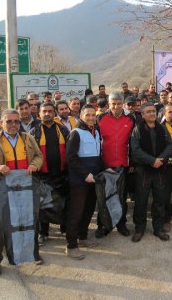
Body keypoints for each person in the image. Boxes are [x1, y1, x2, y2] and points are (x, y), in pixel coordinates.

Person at [0, 109, 43, 276]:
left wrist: (34, 164)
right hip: (2, 192)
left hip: (25, 190)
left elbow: (39, 156)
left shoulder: (28, 139)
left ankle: (30, 253)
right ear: (1, 123)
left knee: (28, 222)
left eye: (16, 122)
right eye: (9, 121)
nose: (13, 125)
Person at [130, 103, 172, 242]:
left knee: (159, 201)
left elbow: (169, 145)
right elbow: (135, 151)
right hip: (144, 171)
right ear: (142, 114)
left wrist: (160, 160)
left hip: (160, 170)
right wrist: (152, 160)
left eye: (153, 111)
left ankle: (158, 228)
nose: (152, 114)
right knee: (141, 201)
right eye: (148, 112)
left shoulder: (162, 128)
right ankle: (139, 228)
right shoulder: (137, 129)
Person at [65, 105, 103, 260]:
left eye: (93, 115)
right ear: (81, 116)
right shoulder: (76, 133)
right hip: (79, 181)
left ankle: (83, 236)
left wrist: (105, 170)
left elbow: (98, 155)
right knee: (76, 212)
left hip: (94, 179)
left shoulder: (96, 131)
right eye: (88, 115)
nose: (91, 117)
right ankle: (71, 246)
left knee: (88, 210)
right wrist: (85, 174)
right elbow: (71, 159)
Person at [29, 102, 70, 245]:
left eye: (50, 111)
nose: (47, 113)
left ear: (54, 113)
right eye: (44, 111)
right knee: (43, 205)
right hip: (42, 175)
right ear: (39, 114)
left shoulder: (63, 129)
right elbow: (30, 154)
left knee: (64, 203)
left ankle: (65, 229)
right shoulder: (33, 132)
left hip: (61, 173)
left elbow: (70, 151)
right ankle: (43, 233)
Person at [97, 92, 135, 238]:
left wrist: (132, 162)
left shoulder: (130, 118)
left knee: (121, 197)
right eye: (113, 103)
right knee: (103, 197)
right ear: (109, 104)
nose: (116, 106)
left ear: (123, 104)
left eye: (119, 103)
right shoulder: (101, 118)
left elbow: (133, 142)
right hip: (104, 164)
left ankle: (121, 224)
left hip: (122, 164)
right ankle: (103, 226)